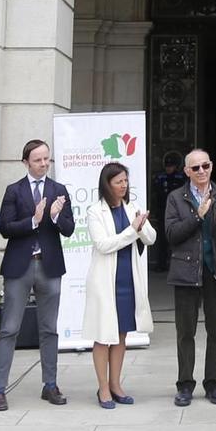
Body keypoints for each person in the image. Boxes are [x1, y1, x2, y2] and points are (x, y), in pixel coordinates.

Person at [0, 139, 76, 411]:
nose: (43, 164)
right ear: (26, 161)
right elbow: (4, 228)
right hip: (20, 265)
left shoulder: (58, 190)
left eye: (46, 159)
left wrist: (53, 217)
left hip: (49, 266)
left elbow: (69, 229)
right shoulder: (14, 190)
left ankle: (50, 384)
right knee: (10, 328)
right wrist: (34, 220)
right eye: (38, 159)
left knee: (49, 329)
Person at [165, 147, 216, 407]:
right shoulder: (176, 198)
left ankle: (214, 384)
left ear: (211, 166)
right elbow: (172, 235)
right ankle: (185, 384)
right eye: (195, 167)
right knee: (185, 332)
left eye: (205, 166)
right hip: (186, 272)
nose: (201, 171)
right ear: (186, 171)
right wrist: (198, 217)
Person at [84, 161, 155, 408]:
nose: (123, 185)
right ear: (107, 184)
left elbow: (151, 238)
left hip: (127, 279)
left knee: (122, 333)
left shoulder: (132, 207)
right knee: (103, 336)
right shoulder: (95, 211)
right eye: (118, 182)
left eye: (125, 180)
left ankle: (116, 384)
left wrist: (141, 226)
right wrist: (131, 230)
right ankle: (103, 388)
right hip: (106, 281)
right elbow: (104, 245)